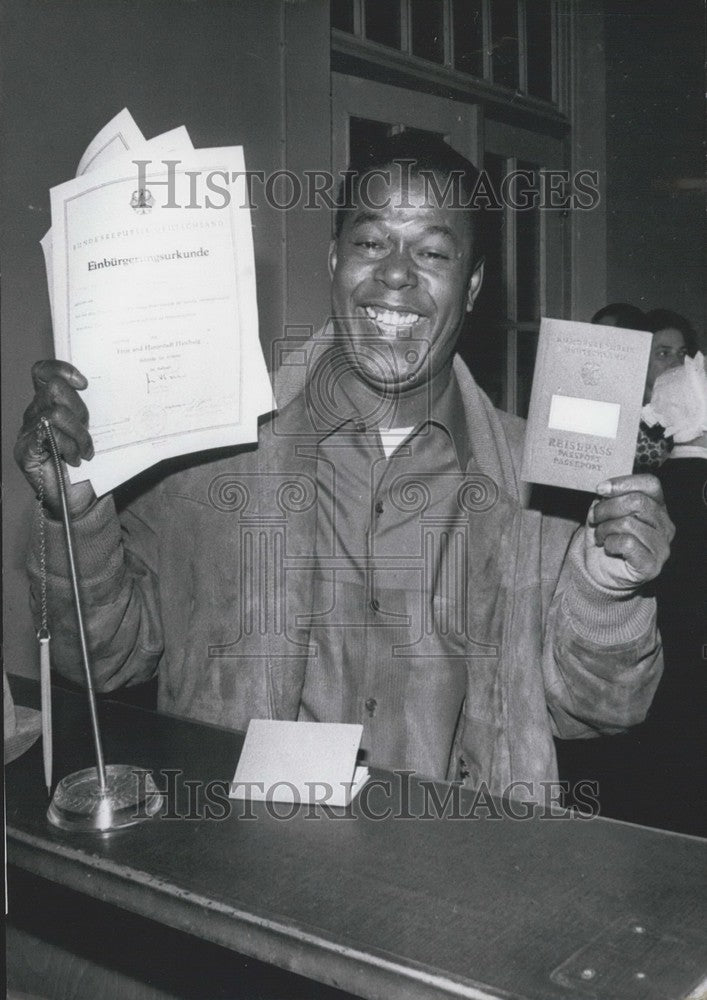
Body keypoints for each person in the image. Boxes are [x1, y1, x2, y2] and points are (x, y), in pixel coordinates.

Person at [14, 134, 673, 802]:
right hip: (246, 850)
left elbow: (600, 710)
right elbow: (105, 659)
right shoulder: (210, 456)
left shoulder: (540, 483)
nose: (396, 273)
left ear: (472, 284)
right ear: (334, 260)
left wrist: (608, 591)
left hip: (459, 858)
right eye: (370, 242)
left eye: (433, 252)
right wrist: (78, 514)